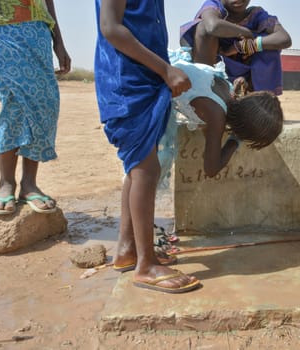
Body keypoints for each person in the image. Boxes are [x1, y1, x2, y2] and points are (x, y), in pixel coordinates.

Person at [94, 0, 200, 293]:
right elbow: (111, 28)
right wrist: (166, 70)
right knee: (146, 169)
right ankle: (146, 265)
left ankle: (129, 250)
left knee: (140, 166)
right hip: (126, 85)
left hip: (145, 81)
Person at [158, 47, 284, 189]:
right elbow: (211, 169)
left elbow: (210, 134)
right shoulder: (217, 116)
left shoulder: (228, 92)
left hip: (161, 61)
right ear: (245, 132)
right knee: (146, 170)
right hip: (151, 78)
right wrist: (234, 141)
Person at [0, 0, 70, 216]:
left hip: (38, 30)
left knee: (43, 103)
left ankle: (29, 184)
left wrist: (58, 41)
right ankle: (6, 182)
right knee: (14, 102)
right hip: (3, 28)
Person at [180, 0, 292, 96]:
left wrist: (243, 46)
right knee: (203, 28)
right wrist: (245, 32)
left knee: (269, 43)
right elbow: (213, 26)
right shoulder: (214, 5)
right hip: (218, 68)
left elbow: (284, 38)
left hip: (249, 70)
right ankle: (205, 92)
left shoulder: (256, 14)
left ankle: (257, 96)